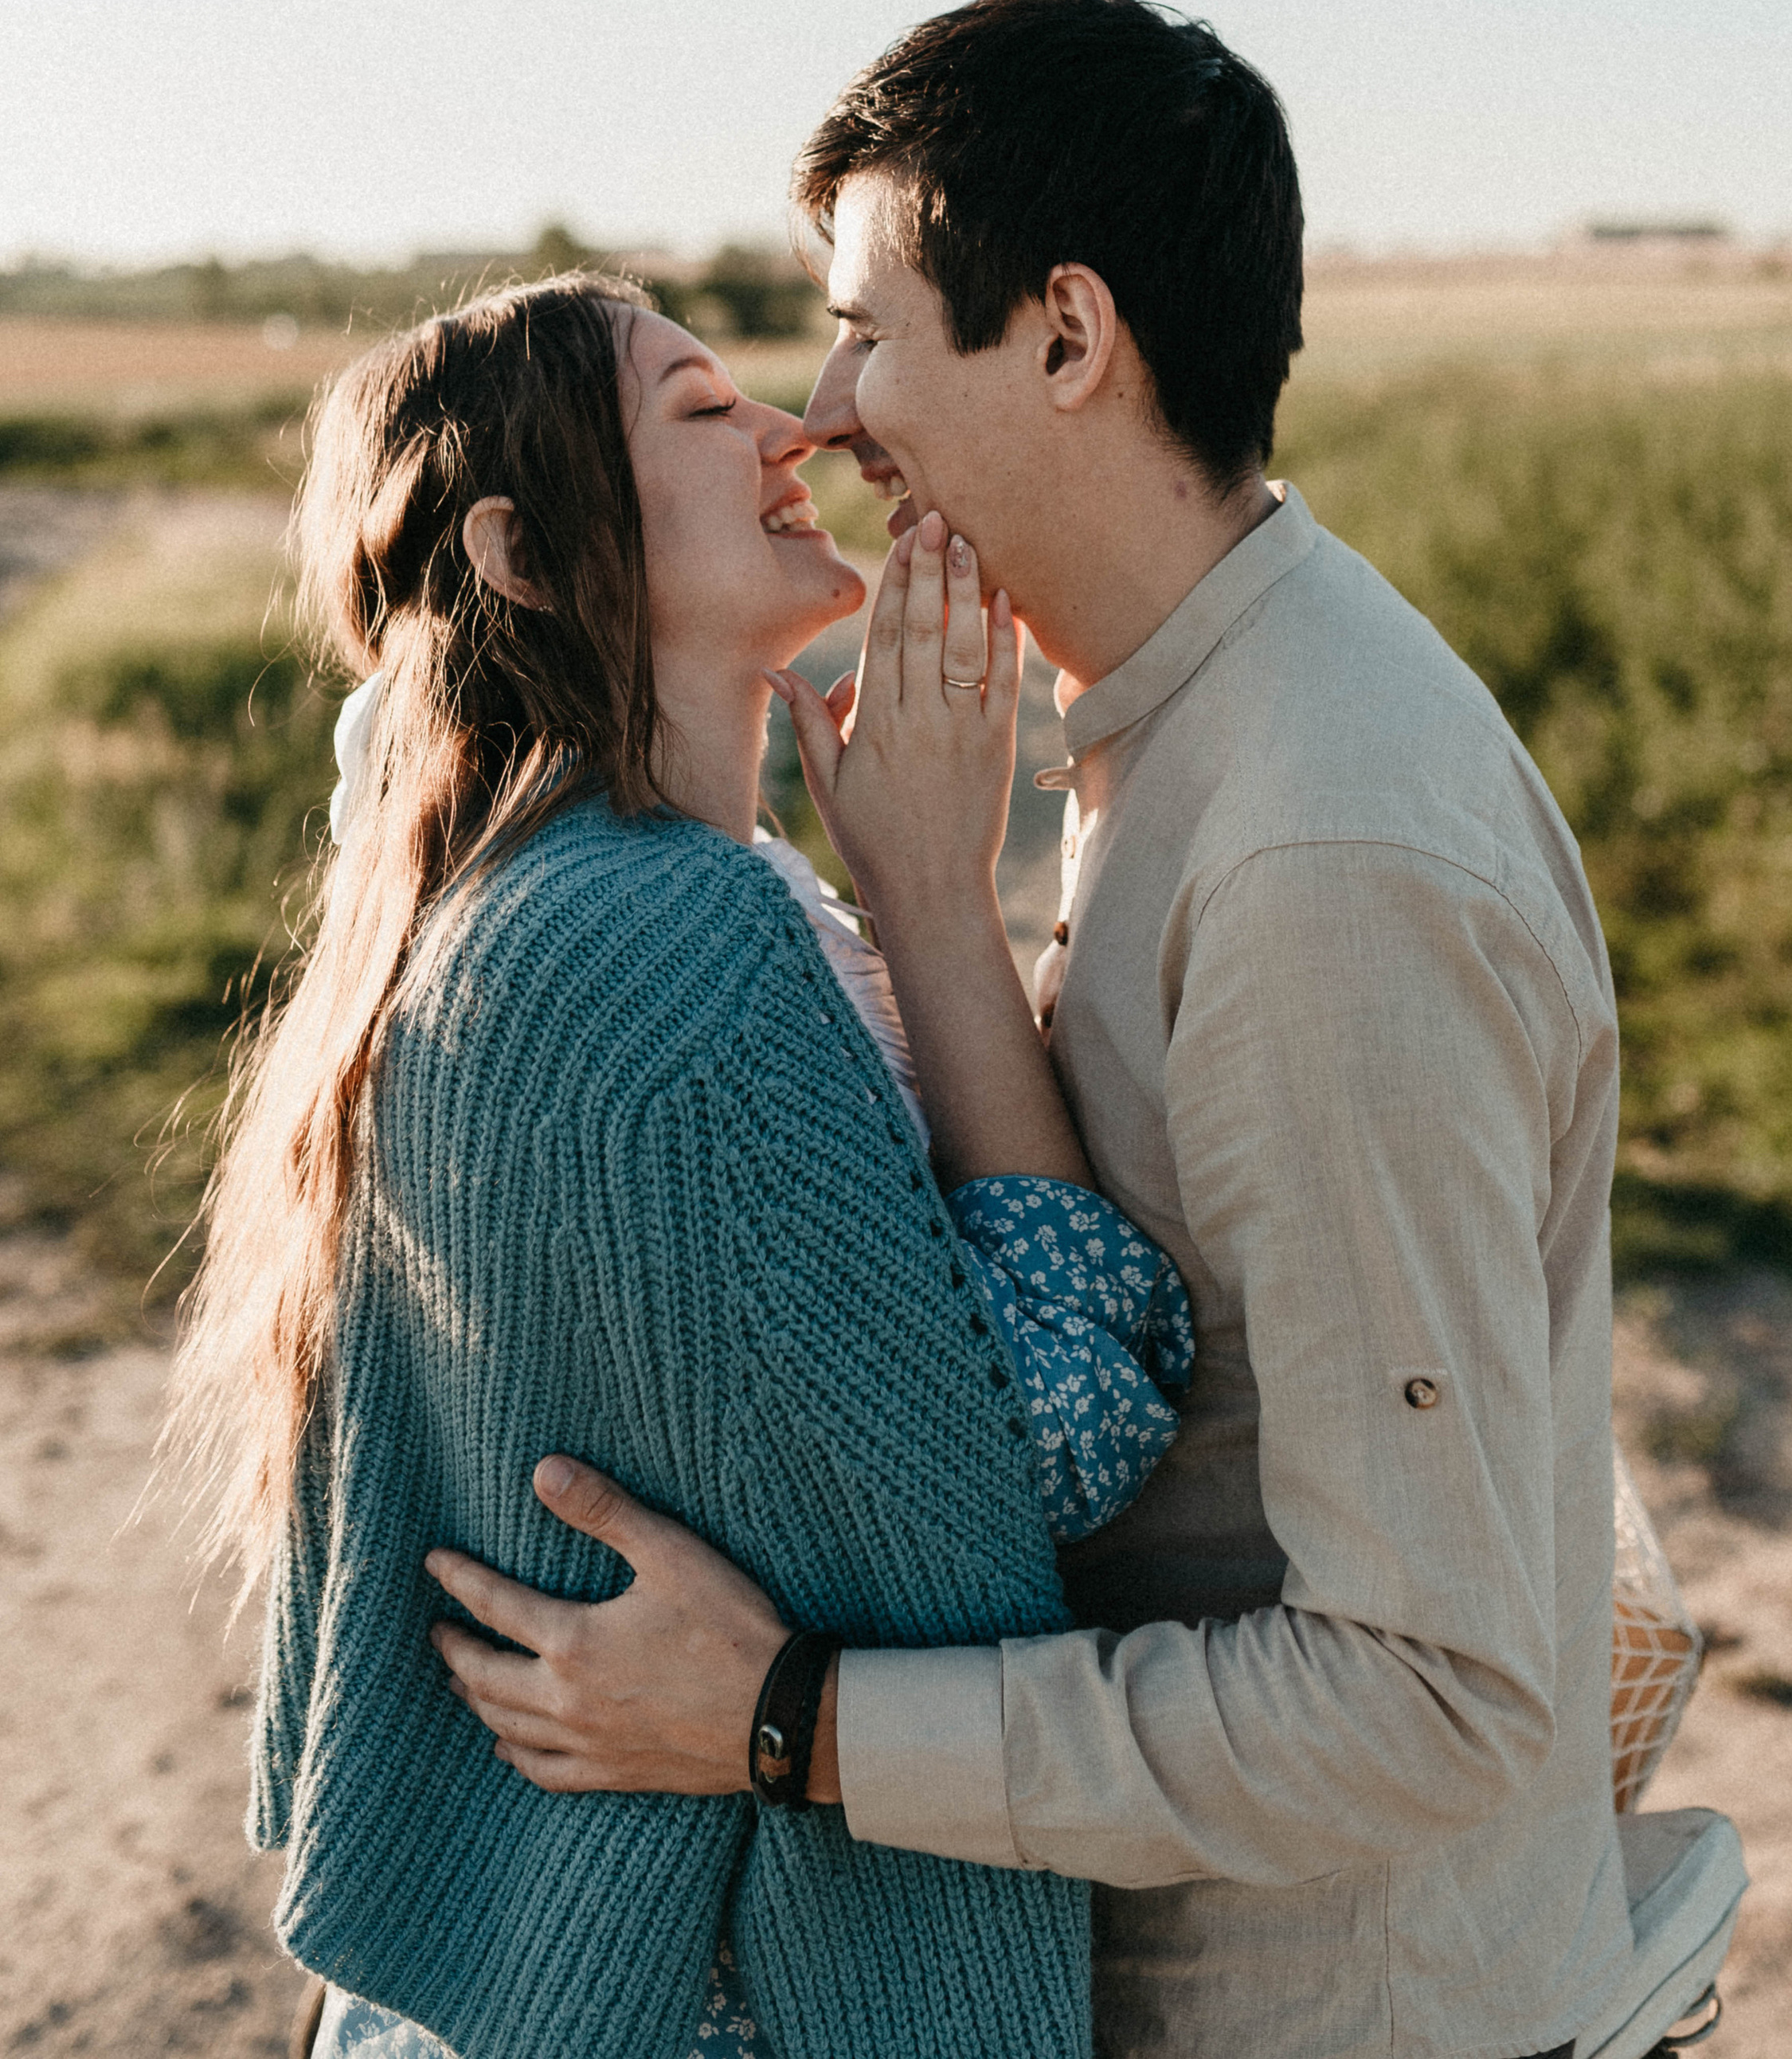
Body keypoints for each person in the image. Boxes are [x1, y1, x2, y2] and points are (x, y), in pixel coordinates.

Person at [426, 0, 1644, 2059]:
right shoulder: (1171, 702)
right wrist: (929, 905)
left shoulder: (1321, 856)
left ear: (1070, 336)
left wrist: (787, 1718)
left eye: (866, 329)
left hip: (1325, 2007)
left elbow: (1430, 1696)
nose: (822, 412)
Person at [167, 268, 1202, 2059]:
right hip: (694, 1995)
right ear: (524, 554)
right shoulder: (663, 943)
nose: (795, 428)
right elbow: (1060, 1433)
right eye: (701, 412)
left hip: (560, 1973)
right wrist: (944, 916)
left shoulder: (558, 900)